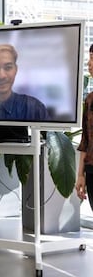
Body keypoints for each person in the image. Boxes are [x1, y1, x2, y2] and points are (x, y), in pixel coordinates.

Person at [76, 44, 93, 210]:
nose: (89, 63)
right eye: (89, 58)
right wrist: (81, 174)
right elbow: (85, 140)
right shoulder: (89, 100)